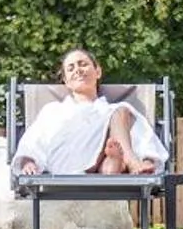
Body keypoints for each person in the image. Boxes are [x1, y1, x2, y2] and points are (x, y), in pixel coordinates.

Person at [14, 47, 166, 175]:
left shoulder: (114, 111)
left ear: (98, 72)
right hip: (66, 164)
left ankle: (117, 160)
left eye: (83, 64)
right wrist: (28, 161)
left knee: (120, 114)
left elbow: (143, 136)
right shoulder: (53, 110)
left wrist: (148, 159)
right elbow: (33, 140)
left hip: (104, 171)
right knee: (119, 113)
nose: (78, 70)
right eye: (71, 68)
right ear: (66, 81)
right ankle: (127, 161)